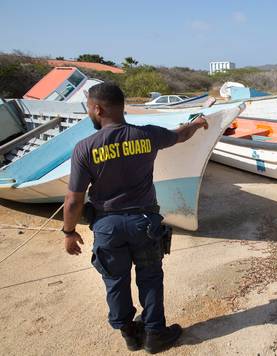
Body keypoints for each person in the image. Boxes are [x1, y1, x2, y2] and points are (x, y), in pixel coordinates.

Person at [61, 82, 208, 354]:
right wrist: (198, 123)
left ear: (97, 108)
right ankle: (155, 334)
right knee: (150, 278)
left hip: (107, 227)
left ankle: (130, 334)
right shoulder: (148, 135)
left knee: (115, 281)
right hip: (144, 224)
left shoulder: (84, 148)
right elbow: (180, 135)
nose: (89, 114)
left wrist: (68, 232)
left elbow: (73, 200)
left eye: (88, 110)